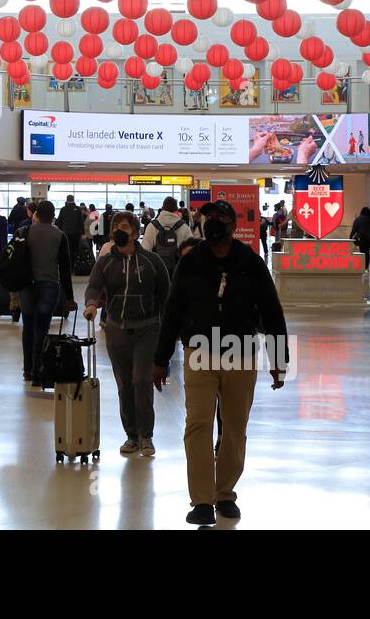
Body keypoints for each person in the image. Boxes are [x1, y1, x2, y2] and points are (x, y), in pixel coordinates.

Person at [152, 200, 288, 525]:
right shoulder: (190, 263)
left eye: (220, 217)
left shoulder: (250, 263)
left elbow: (271, 311)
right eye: (207, 216)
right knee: (197, 423)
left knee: (234, 426)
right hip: (199, 351)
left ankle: (224, 493)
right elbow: (172, 311)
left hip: (240, 351)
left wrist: (279, 358)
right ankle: (201, 500)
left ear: (232, 223)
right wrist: (160, 359)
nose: (212, 221)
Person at [84, 211, 170, 458]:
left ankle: (146, 436)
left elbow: (165, 294)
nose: (119, 230)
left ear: (134, 231)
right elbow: (94, 286)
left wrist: (168, 330)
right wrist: (91, 303)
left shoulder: (152, 262)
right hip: (117, 328)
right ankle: (131, 435)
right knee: (124, 384)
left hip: (147, 328)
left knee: (141, 381)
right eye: (116, 227)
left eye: (124, 226)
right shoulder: (105, 262)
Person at [20, 200, 75, 385]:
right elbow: (65, 269)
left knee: (28, 326)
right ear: (53, 216)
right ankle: (38, 371)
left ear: (36, 215)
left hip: (27, 285)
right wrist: (69, 298)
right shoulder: (60, 235)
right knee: (42, 328)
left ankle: (27, 369)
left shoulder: (25, 232)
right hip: (49, 285)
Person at [142, 196, 193, 275]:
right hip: (178, 272)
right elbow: (191, 252)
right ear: (176, 209)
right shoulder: (184, 227)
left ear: (162, 208)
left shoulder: (152, 226)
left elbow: (145, 251)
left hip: (157, 271)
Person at [349, 207, 370, 272]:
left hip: (361, 239)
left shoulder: (358, 219)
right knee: (367, 252)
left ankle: (362, 266)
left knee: (362, 252)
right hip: (369, 239)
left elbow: (354, 229)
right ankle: (366, 268)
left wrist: (350, 237)